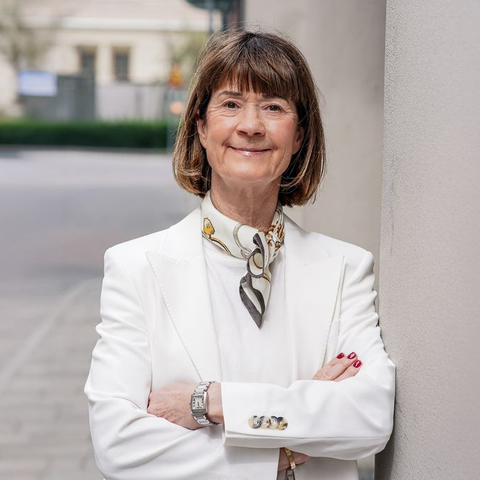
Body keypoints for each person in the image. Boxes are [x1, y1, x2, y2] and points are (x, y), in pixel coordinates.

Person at [85, 30, 395, 480]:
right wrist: (284, 451)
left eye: (274, 107)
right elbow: (118, 445)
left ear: (298, 135)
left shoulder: (346, 268)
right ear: (200, 126)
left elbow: (369, 419)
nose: (250, 125)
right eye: (230, 104)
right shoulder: (135, 267)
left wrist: (212, 402)